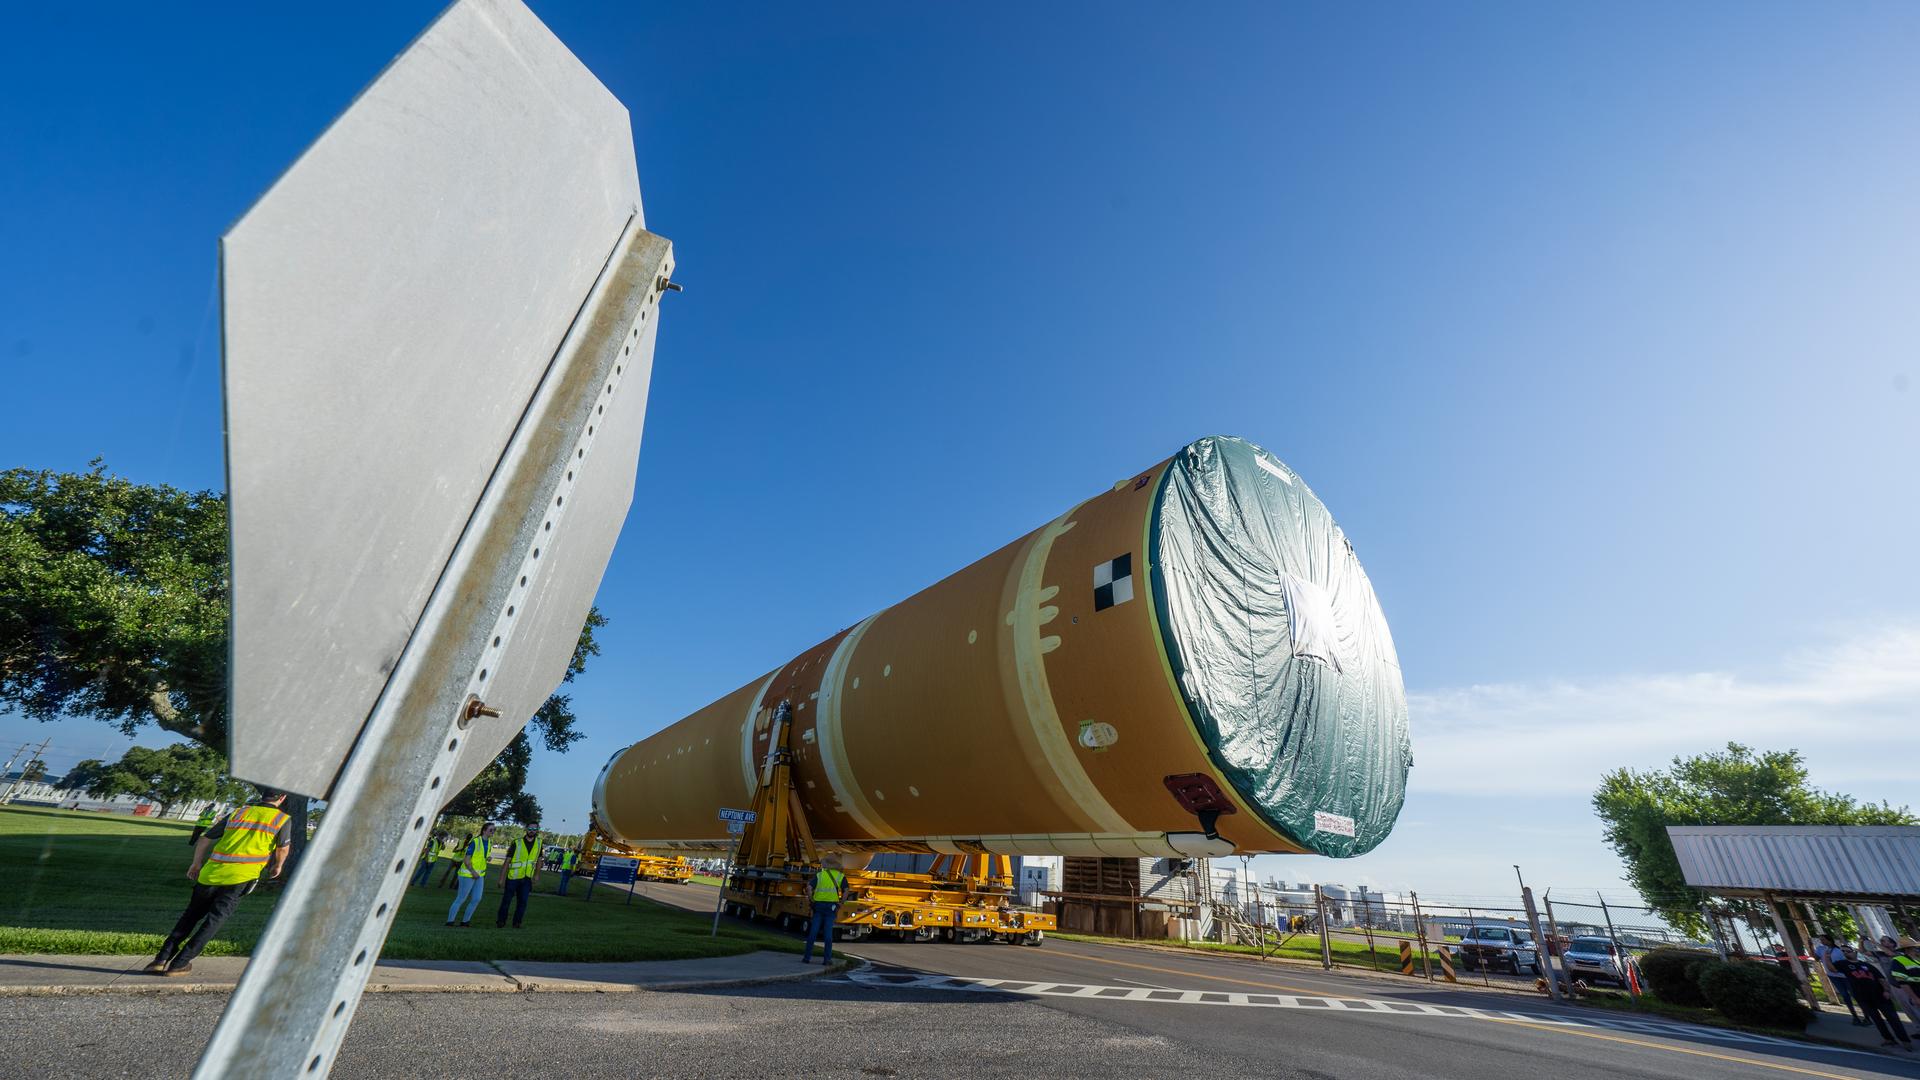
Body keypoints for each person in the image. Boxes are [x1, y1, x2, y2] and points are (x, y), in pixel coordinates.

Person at [145, 788, 292, 977]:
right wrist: (277, 866)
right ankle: (180, 963)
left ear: (262, 796)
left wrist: (196, 864)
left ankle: (160, 959)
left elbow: (205, 838)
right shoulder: (281, 819)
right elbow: (282, 848)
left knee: (190, 916)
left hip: (211, 873)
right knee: (214, 920)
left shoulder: (239, 812)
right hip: (241, 876)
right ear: (282, 798)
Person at [1836, 945, 1914, 1051]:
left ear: (1855, 952)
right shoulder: (1843, 964)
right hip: (1863, 998)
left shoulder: (1867, 965)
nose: (1846, 953)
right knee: (1877, 1019)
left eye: (1848, 951)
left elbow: (1881, 978)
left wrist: (1886, 990)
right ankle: (1888, 1039)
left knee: (1893, 1018)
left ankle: (1905, 1041)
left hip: (1880, 995)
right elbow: (1831, 968)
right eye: (1843, 951)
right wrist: (1827, 956)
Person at [801, 853, 849, 965]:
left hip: (818, 906)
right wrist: (841, 903)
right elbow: (846, 890)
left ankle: (807, 958)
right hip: (831, 907)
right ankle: (827, 960)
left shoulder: (820, 875)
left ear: (826, 864)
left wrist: (811, 899)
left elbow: (809, 888)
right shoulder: (840, 876)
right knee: (828, 935)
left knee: (813, 933)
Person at [446, 822, 493, 927]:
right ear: (484, 830)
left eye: (494, 830)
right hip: (467, 874)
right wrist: (473, 871)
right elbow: (466, 859)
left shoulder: (489, 842)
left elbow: (481, 856)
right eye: (491, 830)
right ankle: (450, 921)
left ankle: (465, 922)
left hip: (479, 875)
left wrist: (487, 858)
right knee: (461, 898)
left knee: (477, 899)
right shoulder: (475, 841)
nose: (493, 832)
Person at [1815, 933, 1866, 1026]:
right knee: (1845, 995)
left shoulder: (1839, 950)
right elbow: (1816, 958)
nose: (1821, 941)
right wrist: (1811, 947)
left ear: (1829, 940)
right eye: (1820, 940)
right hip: (1833, 975)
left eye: (1823, 939)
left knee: (1855, 994)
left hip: (1845, 975)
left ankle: (1866, 1016)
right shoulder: (1820, 949)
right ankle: (1855, 1016)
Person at [495, 825, 540, 929]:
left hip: (527, 878)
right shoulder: (517, 842)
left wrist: (537, 874)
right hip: (513, 878)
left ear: (537, 830)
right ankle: (501, 921)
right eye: (530, 829)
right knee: (506, 901)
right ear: (526, 829)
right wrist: (501, 878)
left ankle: (517, 923)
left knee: (523, 902)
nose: (532, 831)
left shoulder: (539, 843)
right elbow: (507, 861)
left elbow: (539, 860)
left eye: (534, 829)